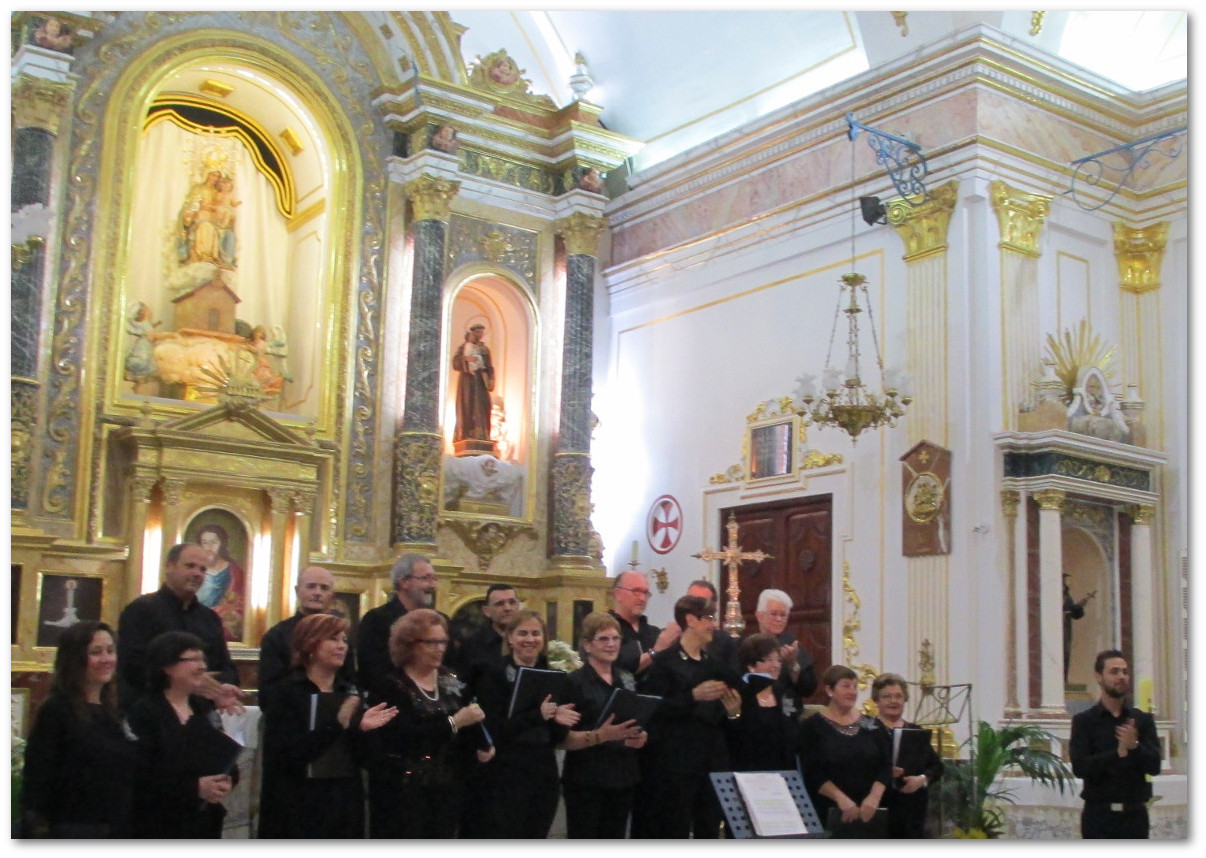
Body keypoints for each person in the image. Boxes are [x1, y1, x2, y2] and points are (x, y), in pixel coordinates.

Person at [258, 613, 396, 838]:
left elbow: (367, 761)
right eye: (333, 639)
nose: (341, 646)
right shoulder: (287, 692)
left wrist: (364, 731)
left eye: (344, 640)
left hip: (343, 801)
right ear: (310, 643)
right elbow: (285, 756)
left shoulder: (349, 692)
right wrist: (337, 724)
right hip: (297, 803)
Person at [365, 610, 494, 838]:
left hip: (447, 789)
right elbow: (402, 738)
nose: (440, 648)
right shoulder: (390, 686)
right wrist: (454, 722)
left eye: (443, 641)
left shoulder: (451, 680)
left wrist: (482, 744)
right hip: (403, 792)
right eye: (431, 642)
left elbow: (468, 720)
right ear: (409, 644)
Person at [20, 621, 141, 838]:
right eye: (96, 652)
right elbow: (38, 779)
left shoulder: (116, 710)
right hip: (72, 829)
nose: (106, 659)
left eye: (111, 651)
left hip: (116, 828)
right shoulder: (58, 709)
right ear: (74, 658)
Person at [637, 595, 741, 838]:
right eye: (709, 618)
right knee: (676, 826)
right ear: (691, 620)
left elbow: (731, 705)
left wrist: (734, 711)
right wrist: (692, 696)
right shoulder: (664, 662)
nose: (713, 624)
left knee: (709, 825)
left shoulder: (714, 664)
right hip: (676, 759)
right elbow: (653, 709)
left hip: (711, 757)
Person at [474, 609, 580, 838]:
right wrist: (538, 715)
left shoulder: (554, 676)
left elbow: (557, 736)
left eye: (536, 633)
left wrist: (558, 720)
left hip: (543, 771)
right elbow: (494, 729)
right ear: (510, 638)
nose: (530, 639)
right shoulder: (494, 674)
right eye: (522, 633)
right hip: (505, 772)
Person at [126, 631, 240, 838]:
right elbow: (140, 777)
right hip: (159, 825)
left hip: (203, 823)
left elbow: (222, 757)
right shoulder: (146, 713)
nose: (202, 667)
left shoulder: (203, 709)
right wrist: (193, 788)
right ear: (167, 666)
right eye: (193, 659)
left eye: (202, 659)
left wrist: (226, 779)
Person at [117, 543, 242, 712]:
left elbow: (226, 666)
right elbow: (132, 666)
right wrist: (186, 682)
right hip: (152, 713)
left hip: (200, 715)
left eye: (203, 569)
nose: (197, 573)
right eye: (190, 566)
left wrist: (223, 686)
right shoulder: (141, 610)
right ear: (169, 567)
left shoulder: (210, 618)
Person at [559, 611, 648, 838]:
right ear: (587, 645)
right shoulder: (574, 682)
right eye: (604, 639)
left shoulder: (626, 678)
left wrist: (639, 735)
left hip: (623, 775)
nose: (611, 644)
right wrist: (601, 735)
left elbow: (633, 717)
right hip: (587, 778)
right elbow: (563, 738)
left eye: (615, 638)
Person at [1069, 650, 1161, 839]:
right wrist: (1117, 753)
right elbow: (1080, 767)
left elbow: (1155, 766)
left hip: (1134, 816)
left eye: (1125, 672)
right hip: (1099, 816)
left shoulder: (1141, 720)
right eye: (1114, 671)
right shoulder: (1084, 722)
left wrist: (1134, 747)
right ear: (1098, 677)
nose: (1121, 677)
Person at [797, 664, 891, 837]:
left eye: (855, 687)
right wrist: (841, 799)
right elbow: (812, 772)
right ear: (829, 690)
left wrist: (874, 798)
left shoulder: (871, 724)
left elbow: (886, 765)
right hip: (829, 811)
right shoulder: (812, 727)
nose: (852, 692)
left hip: (870, 812)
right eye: (846, 686)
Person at [259, 565, 355, 690]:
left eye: (324, 588)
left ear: (332, 595)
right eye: (311, 586)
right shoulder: (277, 635)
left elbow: (349, 679)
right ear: (297, 591)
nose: (317, 593)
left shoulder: (341, 634)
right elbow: (269, 686)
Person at [871, 672, 944, 838]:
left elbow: (937, 766)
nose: (893, 701)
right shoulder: (867, 731)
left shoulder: (916, 732)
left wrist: (922, 779)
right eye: (886, 696)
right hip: (879, 806)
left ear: (905, 699)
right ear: (877, 700)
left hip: (911, 810)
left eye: (898, 696)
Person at [357, 553, 438, 701]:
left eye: (434, 579)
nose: (433, 585)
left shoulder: (439, 621)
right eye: (425, 578)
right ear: (404, 582)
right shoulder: (376, 620)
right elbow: (373, 672)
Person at [729, 632, 799, 772]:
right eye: (769, 660)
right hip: (748, 771)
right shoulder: (739, 694)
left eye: (779, 660)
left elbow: (793, 734)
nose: (776, 665)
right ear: (751, 665)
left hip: (783, 772)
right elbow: (733, 740)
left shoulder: (785, 694)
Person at [754, 587, 818, 705]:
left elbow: (809, 688)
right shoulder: (749, 645)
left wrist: (793, 664)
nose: (779, 619)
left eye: (783, 615)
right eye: (774, 614)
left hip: (788, 711)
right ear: (759, 616)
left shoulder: (791, 642)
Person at [453, 583, 522, 694]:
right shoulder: (472, 645)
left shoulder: (527, 642)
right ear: (486, 611)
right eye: (500, 604)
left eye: (512, 602)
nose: (508, 608)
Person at [609, 570, 678, 676]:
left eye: (645, 593)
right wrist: (656, 650)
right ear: (618, 594)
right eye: (636, 591)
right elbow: (617, 671)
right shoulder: (605, 631)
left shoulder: (654, 633)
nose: (642, 598)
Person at [196, 523, 246, 641]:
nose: (209, 547)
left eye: (214, 542)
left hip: (222, 623)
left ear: (221, 544)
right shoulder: (196, 571)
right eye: (205, 543)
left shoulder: (233, 571)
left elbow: (240, 601)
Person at [452, 324, 495, 444]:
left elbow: (490, 367)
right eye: (477, 332)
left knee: (483, 406)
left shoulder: (484, 350)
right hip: (467, 382)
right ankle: (466, 434)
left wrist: (491, 379)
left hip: (481, 381)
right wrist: (466, 359)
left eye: (481, 333)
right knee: (467, 405)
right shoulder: (463, 348)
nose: (479, 335)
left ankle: (482, 435)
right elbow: (455, 363)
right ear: (472, 333)